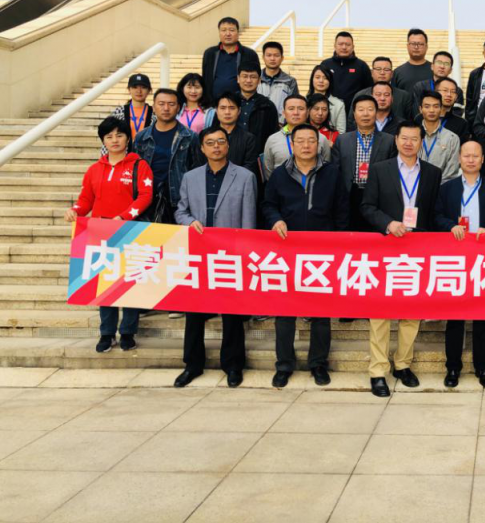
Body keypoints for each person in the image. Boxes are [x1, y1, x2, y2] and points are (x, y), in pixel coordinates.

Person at [262, 124, 349, 388]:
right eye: (300, 141)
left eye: (311, 140)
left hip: (322, 253)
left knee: (321, 312)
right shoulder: (279, 174)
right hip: (287, 251)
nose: (306, 145)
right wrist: (275, 220)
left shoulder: (332, 173)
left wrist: (338, 244)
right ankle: (284, 364)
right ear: (292, 144)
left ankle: (318, 364)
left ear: (319, 144)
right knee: (284, 311)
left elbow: (342, 211)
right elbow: (268, 205)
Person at [361, 122, 443, 397]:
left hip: (417, 250)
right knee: (380, 313)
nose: (409, 143)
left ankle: (403, 364)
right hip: (385, 249)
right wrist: (388, 223)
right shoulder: (379, 169)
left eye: (414, 139)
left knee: (411, 311)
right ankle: (378, 371)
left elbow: (434, 213)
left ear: (421, 142)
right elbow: (367, 206)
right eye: (404, 138)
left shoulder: (432, 173)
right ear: (396, 140)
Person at [173, 125, 257, 389]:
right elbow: (180, 211)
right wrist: (189, 222)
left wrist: (245, 254)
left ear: (228, 145)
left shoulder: (245, 177)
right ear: (202, 148)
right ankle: (192, 364)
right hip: (199, 253)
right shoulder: (191, 177)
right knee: (194, 312)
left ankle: (233, 365)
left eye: (221, 141)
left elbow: (249, 219)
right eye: (210, 143)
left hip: (230, 253)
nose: (216, 146)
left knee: (231, 312)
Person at [65, 117, 153, 353]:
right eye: (109, 136)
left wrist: (123, 217)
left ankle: (128, 332)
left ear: (127, 139)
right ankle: (106, 333)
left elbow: (145, 196)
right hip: (101, 235)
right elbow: (86, 200)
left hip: (130, 231)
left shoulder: (139, 166)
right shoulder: (94, 170)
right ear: (103, 141)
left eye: (119, 135)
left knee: (130, 283)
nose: (115, 140)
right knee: (104, 284)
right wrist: (75, 211)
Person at [434, 140, 485, 389]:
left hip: (483, 257)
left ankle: (482, 367)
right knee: (455, 316)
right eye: (467, 155)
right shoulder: (447, 188)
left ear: (483, 160)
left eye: (476, 156)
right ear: (459, 159)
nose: (471, 160)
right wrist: (450, 226)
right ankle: (453, 367)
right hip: (456, 257)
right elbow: (436, 216)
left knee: (482, 315)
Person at [332, 94, 397, 231]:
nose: (365, 114)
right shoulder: (342, 140)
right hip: (350, 195)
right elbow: (336, 171)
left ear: (376, 113)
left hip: (377, 197)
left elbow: (392, 172)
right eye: (361, 110)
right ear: (354, 114)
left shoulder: (389, 140)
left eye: (370, 109)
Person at [133, 88, 197, 223]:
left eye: (171, 104)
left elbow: (196, 169)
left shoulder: (190, 137)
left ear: (178, 108)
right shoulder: (141, 137)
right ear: (154, 107)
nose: (166, 108)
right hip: (146, 199)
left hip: (178, 201)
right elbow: (134, 170)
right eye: (161, 104)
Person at [262, 94, 333, 180]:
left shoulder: (321, 138)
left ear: (307, 113)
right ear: (284, 113)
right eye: (291, 109)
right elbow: (269, 172)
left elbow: (326, 169)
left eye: (301, 109)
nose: (296, 113)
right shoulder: (273, 140)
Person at [193, 92, 260, 177]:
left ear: (239, 111)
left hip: (238, 183)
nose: (227, 112)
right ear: (216, 110)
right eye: (223, 108)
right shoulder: (204, 136)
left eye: (232, 108)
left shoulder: (248, 139)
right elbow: (198, 165)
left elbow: (249, 168)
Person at [202, 16, 260, 104]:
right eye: (223, 30)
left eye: (232, 30)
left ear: (238, 32)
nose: (228, 34)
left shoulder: (249, 54)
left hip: (241, 104)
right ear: (219, 33)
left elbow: (255, 79)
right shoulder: (210, 53)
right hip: (213, 104)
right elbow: (205, 78)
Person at [350, 56, 415, 128]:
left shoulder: (404, 96)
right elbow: (351, 122)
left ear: (392, 74)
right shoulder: (360, 95)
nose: (382, 73)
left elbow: (410, 122)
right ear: (372, 72)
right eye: (378, 69)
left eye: (386, 70)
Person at [235, 63, 279, 157]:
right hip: (231, 153)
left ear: (259, 80)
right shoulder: (228, 103)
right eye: (245, 76)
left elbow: (274, 135)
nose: (248, 80)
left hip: (257, 156)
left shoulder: (267, 105)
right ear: (238, 79)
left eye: (253, 77)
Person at [319, 30, 373, 107]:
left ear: (353, 47)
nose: (344, 47)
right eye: (340, 44)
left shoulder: (362, 66)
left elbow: (368, 90)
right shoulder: (326, 64)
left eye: (347, 44)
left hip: (354, 110)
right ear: (334, 46)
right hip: (329, 109)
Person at [417, 91, 460, 180]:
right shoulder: (412, 136)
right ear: (420, 109)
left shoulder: (452, 138)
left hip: (441, 187)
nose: (431, 110)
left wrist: (436, 186)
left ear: (441, 109)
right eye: (427, 106)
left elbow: (451, 174)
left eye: (436, 106)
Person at [258, 41, 299, 115]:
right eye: (269, 55)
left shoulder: (290, 81)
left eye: (276, 55)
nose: (272, 58)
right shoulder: (255, 78)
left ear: (282, 58)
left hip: (280, 121)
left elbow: (293, 105)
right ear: (263, 57)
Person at [110, 73, 155, 141]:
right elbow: (109, 134)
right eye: (135, 87)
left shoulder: (154, 113)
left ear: (149, 90)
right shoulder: (119, 111)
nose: (139, 91)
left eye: (143, 87)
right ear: (129, 89)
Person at [305, 64, 348, 133]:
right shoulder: (303, 101)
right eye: (317, 77)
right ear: (312, 79)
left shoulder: (338, 104)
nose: (321, 81)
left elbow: (341, 132)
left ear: (330, 81)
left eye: (325, 78)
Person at [433, 77, 471, 142]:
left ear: (456, 97)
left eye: (453, 92)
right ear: (435, 93)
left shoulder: (461, 124)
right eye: (445, 90)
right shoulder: (421, 119)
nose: (449, 94)